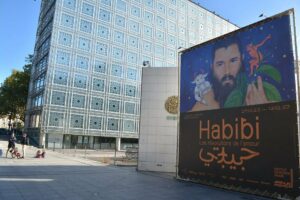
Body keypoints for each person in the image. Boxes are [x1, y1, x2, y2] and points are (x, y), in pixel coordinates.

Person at [191, 37, 270, 111]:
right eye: (220, 64)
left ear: (242, 60)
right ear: (212, 67)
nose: (227, 71)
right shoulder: (203, 105)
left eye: (233, 61)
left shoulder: (256, 97)